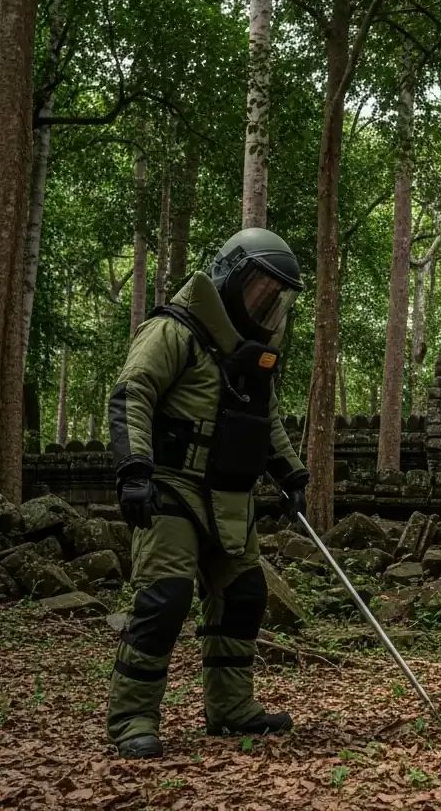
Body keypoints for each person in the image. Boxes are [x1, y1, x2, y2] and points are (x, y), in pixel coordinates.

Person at [106, 228, 309, 759]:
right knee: (164, 599)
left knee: (244, 597)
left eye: (277, 296)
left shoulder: (256, 354)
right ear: (230, 277)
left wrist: (292, 475)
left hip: (229, 498)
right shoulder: (173, 330)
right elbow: (132, 392)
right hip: (170, 488)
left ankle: (231, 708)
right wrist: (133, 470)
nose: (267, 305)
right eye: (260, 290)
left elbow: (262, 421)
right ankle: (132, 720)